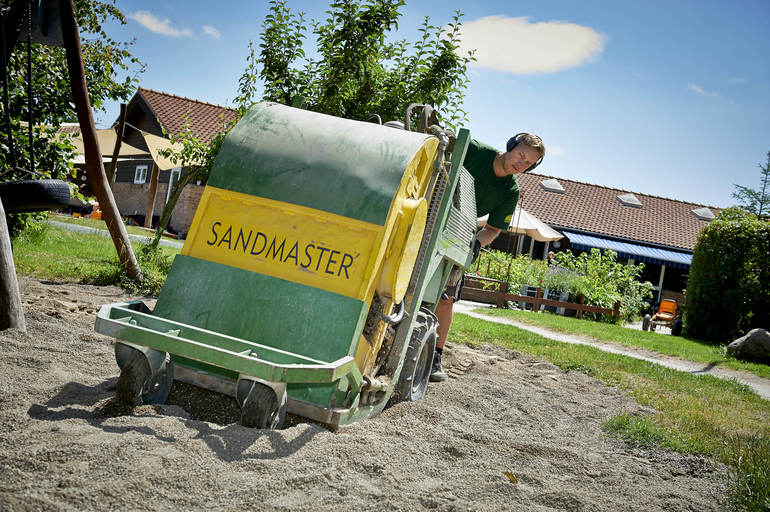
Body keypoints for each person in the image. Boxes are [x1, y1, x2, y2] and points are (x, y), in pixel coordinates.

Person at [430, 133, 546, 382]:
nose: (521, 164)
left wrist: (475, 244)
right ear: (510, 147)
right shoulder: (473, 150)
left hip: (458, 230)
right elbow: (440, 146)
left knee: (447, 298)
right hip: (429, 208)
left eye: (527, 164)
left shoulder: (510, 192)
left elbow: (492, 229)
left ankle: (435, 356)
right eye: (521, 156)